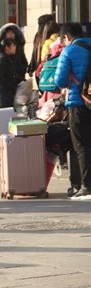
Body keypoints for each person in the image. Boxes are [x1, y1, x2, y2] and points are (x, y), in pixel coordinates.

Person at [54, 23, 91, 200]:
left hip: (79, 102)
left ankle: (86, 185)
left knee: (81, 145)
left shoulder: (68, 51)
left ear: (67, 37)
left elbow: (60, 80)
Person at [0, 38, 18, 108]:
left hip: (6, 96)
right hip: (2, 98)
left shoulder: (8, 58)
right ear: (7, 47)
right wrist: (12, 84)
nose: (15, 47)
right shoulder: (1, 59)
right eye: (13, 45)